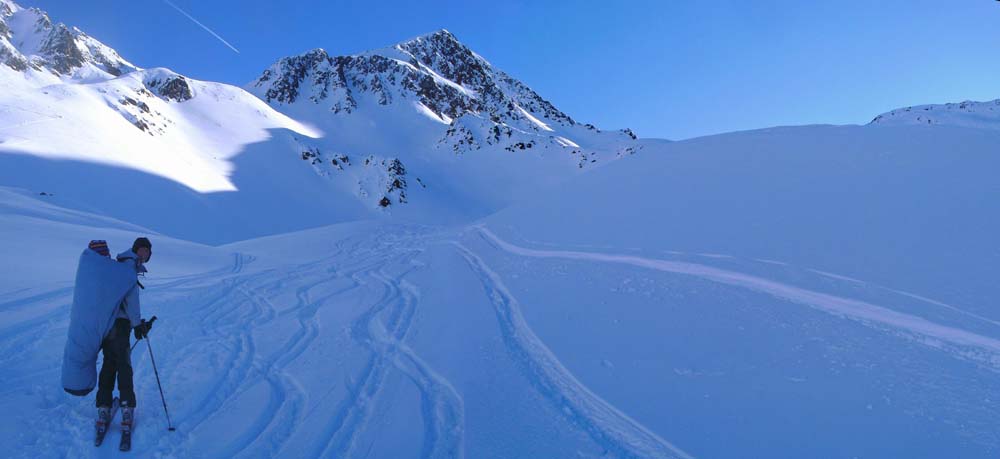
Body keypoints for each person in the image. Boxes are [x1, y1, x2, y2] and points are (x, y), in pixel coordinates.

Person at [95, 237, 154, 437]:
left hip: (108, 324)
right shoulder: (128, 267)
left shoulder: (120, 264)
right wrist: (137, 325)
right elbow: (131, 300)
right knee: (124, 366)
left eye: (147, 251)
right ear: (135, 250)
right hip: (119, 325)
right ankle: (127, 407)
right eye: (142, 250)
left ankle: (104, 406)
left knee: (109, 364)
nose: (144, 254)